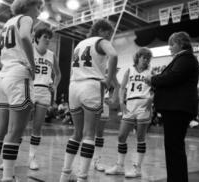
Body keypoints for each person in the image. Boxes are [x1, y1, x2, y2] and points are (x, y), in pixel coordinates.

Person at [0, 0, 44, 181]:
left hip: (4, 77)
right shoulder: (25, 19)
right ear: (28, 5)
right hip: (18, 76)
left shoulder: (9, 23)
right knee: (15, 131)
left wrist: (5, 64)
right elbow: (25, 37)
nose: (39, 12)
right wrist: (32, 66)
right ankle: (8, 177)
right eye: (38, 7)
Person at [59, 19, 118, 182]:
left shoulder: (80, 44)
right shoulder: (101, 41)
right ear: (101, 30)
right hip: (91, 85)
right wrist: (109, 78)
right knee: (89, 134)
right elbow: (113, 55)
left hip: (74, 86)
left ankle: (64, 175)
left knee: (76, 133)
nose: (110, 36)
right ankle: (82, 178)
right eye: (108, 32)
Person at [145, 31, 199, 182]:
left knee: (174, 148)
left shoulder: (186, 57)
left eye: (172, 44)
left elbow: (173, 77)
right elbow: (172, 79)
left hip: (177, 108)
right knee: (173, 147)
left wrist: (153, 79)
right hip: (175, 108)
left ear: (181, 43)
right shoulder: (183, 58)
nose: (169, 48)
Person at [105, 48, 153, 178]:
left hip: (143, 104)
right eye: (144, 58)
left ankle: (137, 169)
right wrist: (121, 102)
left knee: (140, 138)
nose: (146, 61)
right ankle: (119, 166)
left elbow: (157, 88)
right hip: (130, 104)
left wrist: (151, 99)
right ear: (138, 58)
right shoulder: (129, 70)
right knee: (121, 136)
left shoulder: (150, 72)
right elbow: (121, 87)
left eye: (148, 58)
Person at [28, 27, 61, 170]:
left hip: (44, 91)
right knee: (19, 126)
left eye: (49, 37)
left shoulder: (52, 55)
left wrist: (55, 85)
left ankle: (32, 157)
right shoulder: (29, 49)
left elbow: (58, 74)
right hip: (29, 88)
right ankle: (9, 158)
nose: (48, 39)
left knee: (37, 126)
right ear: (36, 38)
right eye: (45, 37)